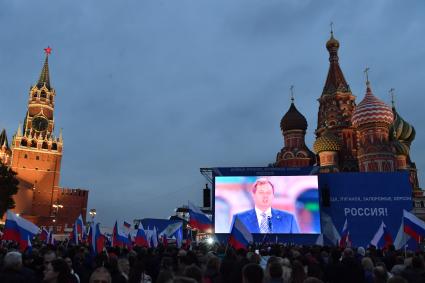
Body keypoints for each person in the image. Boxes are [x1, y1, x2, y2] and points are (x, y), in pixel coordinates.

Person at [231, 178, 299, 233]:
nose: (265, 196)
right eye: (261, 192)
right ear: (253, 195)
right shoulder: (239, 219)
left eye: (268, 192)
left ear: (273, 195)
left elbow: (297, 245)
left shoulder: (289, 219)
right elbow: (232, 246)